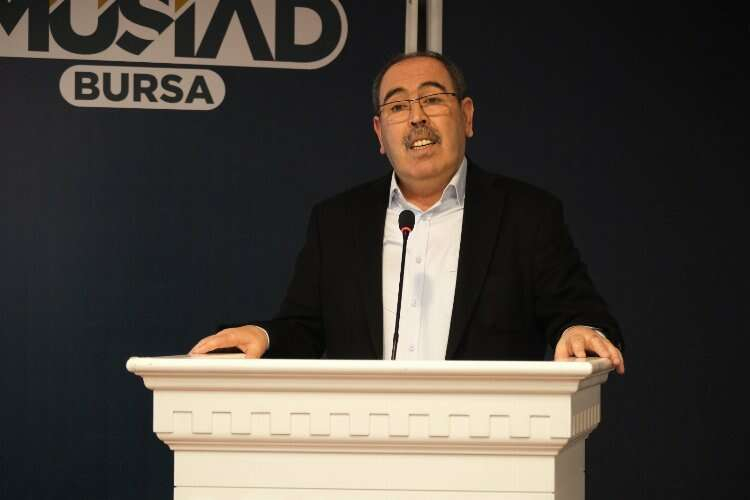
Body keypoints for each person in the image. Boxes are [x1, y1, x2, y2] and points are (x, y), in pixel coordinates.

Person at [191, 51, 625, 375]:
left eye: (432, 99)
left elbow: (580, 314)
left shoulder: (527, 215)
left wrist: (578, 330)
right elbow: (304, 329)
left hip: (488, 447)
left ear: (466, 117)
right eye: (397, 107)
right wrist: (265, 337)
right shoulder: (337, 222)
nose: (416, 117)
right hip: (363, 443)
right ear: (380, 133)